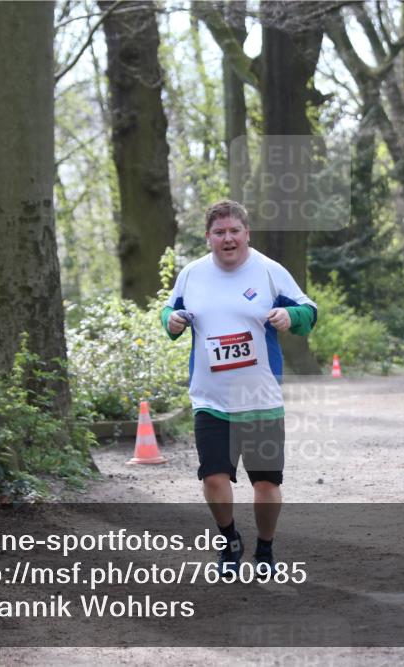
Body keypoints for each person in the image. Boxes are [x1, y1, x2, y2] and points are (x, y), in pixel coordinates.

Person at [161, 200, 316, 575]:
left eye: (234, 231)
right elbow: (168, 314)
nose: (227, 238)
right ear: (208, 238)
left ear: (247, 233)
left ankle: (265, 549)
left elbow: (309, 312)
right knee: (213, 476)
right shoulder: (192, 274)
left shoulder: (268, 271)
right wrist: (174, 322)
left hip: (259, 398)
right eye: (219, 233)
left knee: (265, 482)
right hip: (210, 399)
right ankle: (229, 541)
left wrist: (289, 315)